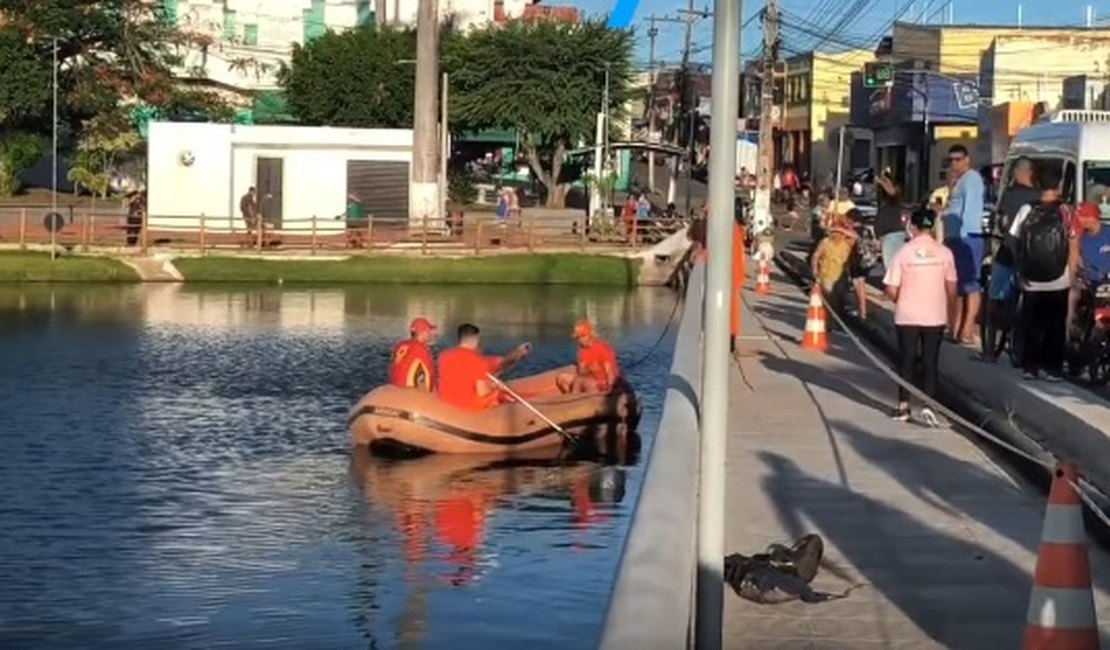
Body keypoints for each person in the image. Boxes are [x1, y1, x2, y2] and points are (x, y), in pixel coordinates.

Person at [883, 208, 956, 426]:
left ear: (912, 227)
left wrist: (900, 299)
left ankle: (904, 406)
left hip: (907, 314)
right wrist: (951, 312)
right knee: (930, 360)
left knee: (906, 359)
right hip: (935, 315)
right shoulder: (944, 253)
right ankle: (928, 405)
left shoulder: (903, 252)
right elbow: (952, 287)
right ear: (932, 227)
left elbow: (891, 288)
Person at [1010, 186, 1080, 380]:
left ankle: (1030, 367)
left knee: (1031, 323)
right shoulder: (1066, 212)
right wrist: (1072, 277)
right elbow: (1074, 245)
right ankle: (1052, 369)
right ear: (1058, 191)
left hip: (1031, 279)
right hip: (1059, 280)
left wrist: (1021, 270)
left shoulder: (1027, 209)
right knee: (1055, 326)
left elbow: (1014, 241)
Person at [980, 158, 1039, 362]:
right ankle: (1024, 350)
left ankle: (989, 351)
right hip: (1030, 257)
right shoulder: (1038, 197)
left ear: (1022, 173)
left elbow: (1002, 222)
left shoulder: (1010, 194)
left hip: (1007, 253)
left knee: (994, 302)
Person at [942, 144, 986, 345]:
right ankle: (955, 327)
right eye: (951, 159)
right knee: (956, 286)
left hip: (966, 237)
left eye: (958, 159)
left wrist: (962, 235)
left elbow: (971, 211)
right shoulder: (959, 181)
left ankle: (967, 330)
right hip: (954, 238)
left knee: (970, 284)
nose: (954, 163)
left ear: (967, 159)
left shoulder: (973, 179)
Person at [437, 324, 530, 410]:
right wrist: (496, 386)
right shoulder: (478, 361)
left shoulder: (444, 356)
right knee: (499, 395)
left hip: (446, 400)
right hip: (468, 406)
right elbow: (482, 393)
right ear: (476, 339)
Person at [811, 211, 858, 317]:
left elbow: (855, 237)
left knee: (837, 301)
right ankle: (827, 322)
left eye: (839, 231)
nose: (836, 234)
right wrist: (815, 271)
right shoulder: (825, 242)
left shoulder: (847, 242)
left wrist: (840, 228)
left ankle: (832, 321)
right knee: (829, 301)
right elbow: (816, 256)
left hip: (841, 277)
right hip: (826, 276)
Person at [557, 320, 620, 394]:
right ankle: (570, 398)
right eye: (578, 338)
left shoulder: (602, 348)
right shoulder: (582, 350)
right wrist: (589, 369)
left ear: (589, 335)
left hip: (600, 383)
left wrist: (609, 388)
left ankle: (575, 398)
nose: (580, 340)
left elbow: (610, 372)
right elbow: (581, 372)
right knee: (561, 378)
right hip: (587, 379)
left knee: (581, 381)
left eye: (583, 336)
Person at [389, 317, 437, 391]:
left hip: (395, 389)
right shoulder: (421, 349)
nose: (431, 334)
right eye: (429, 330)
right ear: (424, 332)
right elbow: (426, 376)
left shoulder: (400, 345)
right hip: (410, 393)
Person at [875, 172, 905, 269]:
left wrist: (881, 181)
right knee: (889, 265)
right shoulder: (884, 202)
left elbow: (891, 190)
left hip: (893, 235)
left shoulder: (894, 198)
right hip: (886, 236)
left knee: (892, 266)